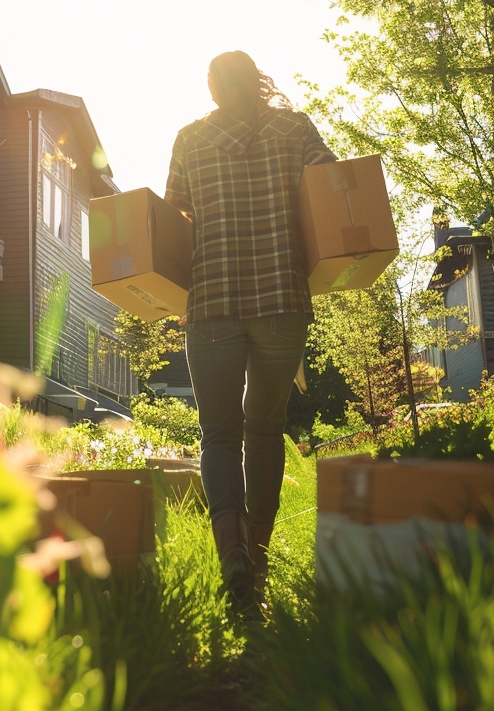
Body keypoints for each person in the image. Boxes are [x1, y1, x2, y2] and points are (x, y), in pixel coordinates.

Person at [164, 50, 335, 613]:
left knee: (218, 433)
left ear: (215, 87)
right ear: (255, 81)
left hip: (211, 304)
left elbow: (173, 219)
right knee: (264, 429)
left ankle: (230, 554)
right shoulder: (295, 128)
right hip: (282, 301)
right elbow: (334, 186)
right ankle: (257, 560)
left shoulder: (190, 139)